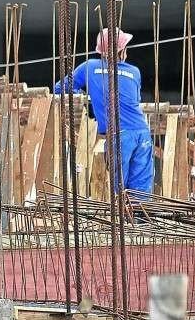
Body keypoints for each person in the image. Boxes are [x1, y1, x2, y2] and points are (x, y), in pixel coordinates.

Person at [54, 27, 154, 195]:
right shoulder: (134, 72)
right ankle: (139, 221)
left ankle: (124, 220)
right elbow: (132, 101)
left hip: (119, 135)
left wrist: (85, 96)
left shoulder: (90, 67)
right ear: (122, 50)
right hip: (142, 132)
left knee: (119, 192)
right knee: (140, 193)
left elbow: (60, 89)